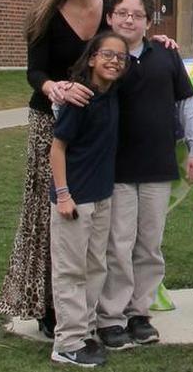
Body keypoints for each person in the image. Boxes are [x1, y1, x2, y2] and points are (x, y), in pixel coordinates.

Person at [0, 0, 110, 338]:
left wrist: (162, 43)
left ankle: (89, 302)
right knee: (52, 212)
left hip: (96, 127)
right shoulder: (47, 14)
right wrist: (55, 88)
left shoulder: (110, 9)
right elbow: (34, 72)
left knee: (91, 213)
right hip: (52, 124)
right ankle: (47, 304)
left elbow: (133, 44)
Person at [95, 0, 193, 349]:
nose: (129, 19)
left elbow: (186, 102)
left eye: (137, 15)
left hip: (158, 166)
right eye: (122, 13)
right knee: (118, 245)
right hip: (117, 168)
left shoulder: (166, 55)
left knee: (149, 245)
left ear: (148, 21)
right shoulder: (104, 58)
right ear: (110, 18)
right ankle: (110, 318)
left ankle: (139, 314)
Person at [48, 31, 130, 366]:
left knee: (96, 266)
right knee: (71, 270)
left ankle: (84, 332)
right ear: (92, 58)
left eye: (120, 58)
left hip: (101, 196)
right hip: (75, 199)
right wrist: (64, 196)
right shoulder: (79, 99)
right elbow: (57, 148)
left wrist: (164, 42)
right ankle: (66, 343)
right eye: (107, 55)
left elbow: (144, 53)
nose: (114, 61)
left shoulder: (111, 94)